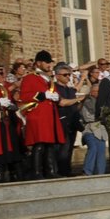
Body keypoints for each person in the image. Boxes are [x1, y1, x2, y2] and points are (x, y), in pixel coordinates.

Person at [19, 50, 64, 179]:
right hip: (38, 114)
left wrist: (56, 97)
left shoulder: (48, 79)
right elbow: (24, 96)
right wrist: (43, 95)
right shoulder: (29, 78)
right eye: (47, 62)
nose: (49, 65)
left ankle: (50, 171)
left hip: (49, 115)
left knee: (49, 144)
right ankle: (37, 172)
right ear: (38, 63)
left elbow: (53, 94)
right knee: (39, 144)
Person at [77, 80, 108, 176]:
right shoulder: (88, 100)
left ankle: (100, 173)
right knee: (93, 147)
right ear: (91, 92)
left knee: (101, 151)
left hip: (100, 129)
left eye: (100, 91)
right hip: (89, 128)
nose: (98, 93)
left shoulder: (103, 101)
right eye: (96, 91)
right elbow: (96, 112)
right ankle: (87, 171)